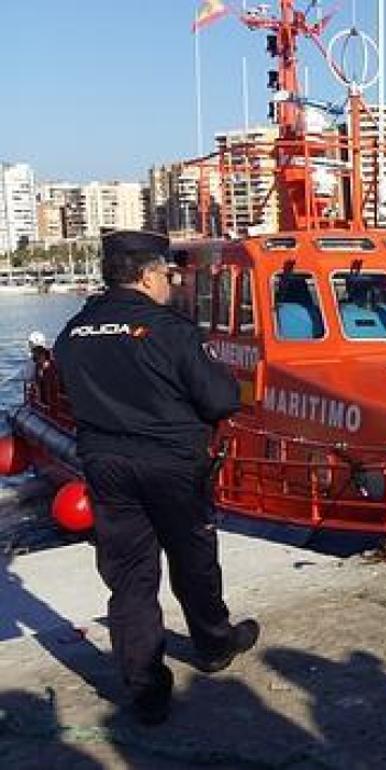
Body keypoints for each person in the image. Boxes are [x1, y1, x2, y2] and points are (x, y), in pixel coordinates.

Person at [52, 230, 258, 725]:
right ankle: (212, 644)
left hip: (105, 464)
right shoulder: (171, 329)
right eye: (168, 274)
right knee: (194, 558)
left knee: (129, 575)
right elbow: (221, 400)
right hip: (171, 464)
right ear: (147, 275)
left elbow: (70, 387)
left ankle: (145, 686)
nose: (170, 283)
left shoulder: (73, 332)